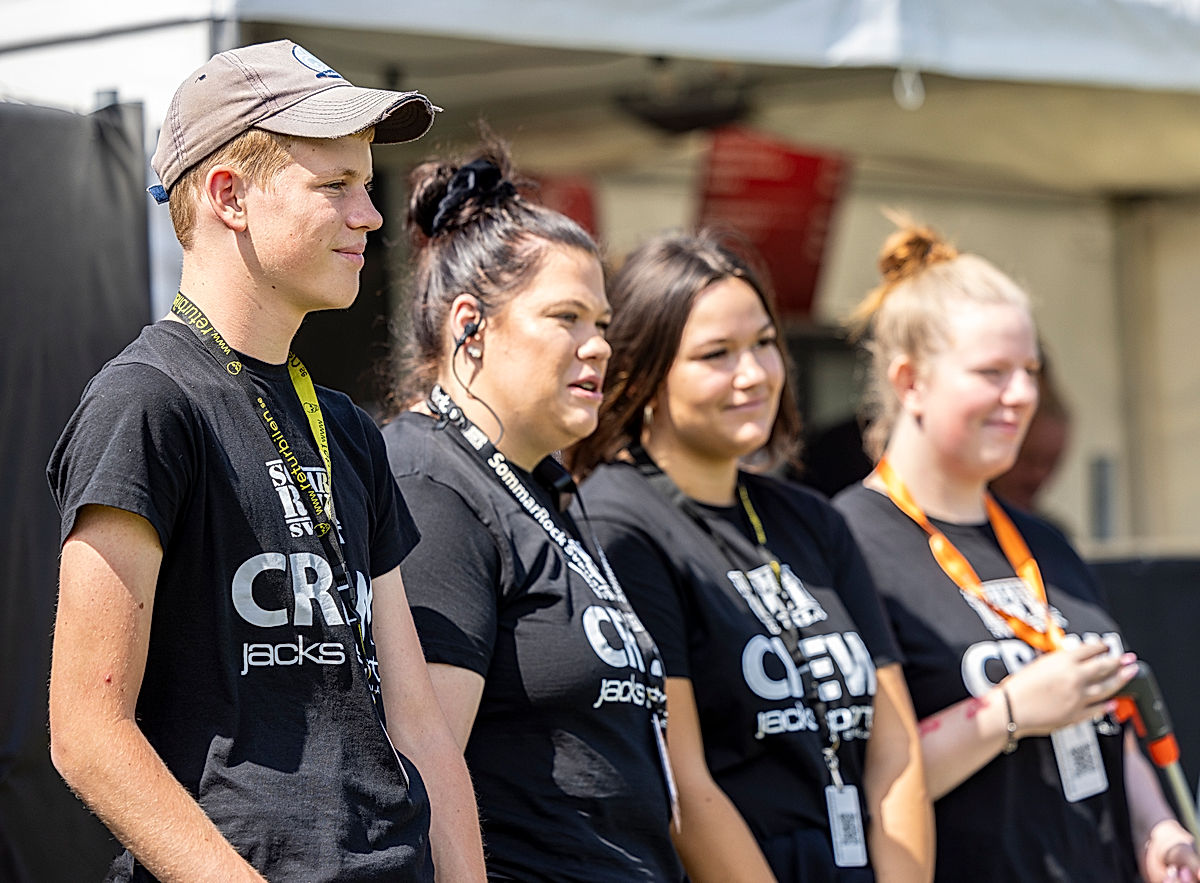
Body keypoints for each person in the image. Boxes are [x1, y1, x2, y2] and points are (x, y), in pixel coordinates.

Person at [46, 40, 485, 882]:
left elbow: (418, 722)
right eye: (335, 186)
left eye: (367, 185)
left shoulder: (348, 427)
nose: (371, 216)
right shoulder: (146, 399)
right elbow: (86, 730)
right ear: (228, 196)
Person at [833, 221, 1200, 882]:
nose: (1023, 394)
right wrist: (1011, 712)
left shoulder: (1044, 541)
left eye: (1030, 371)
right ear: (910, 381)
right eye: (992, 372)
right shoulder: (847, 541)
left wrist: (1158, 828)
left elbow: (1110, 713)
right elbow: (851, 775)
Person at [568, 231, 934, 882]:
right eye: (716, 354)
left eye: (764, 343)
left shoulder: (813, 519)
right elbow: (683, 783)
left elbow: (895, 748)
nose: (754, 374)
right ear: (644, 372)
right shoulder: (619, 523)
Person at [380, 141, 683, 882]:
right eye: (567, 317)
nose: (599, 346)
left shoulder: (536, 484)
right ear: (469, 325)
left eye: (603, 323)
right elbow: (419, 772)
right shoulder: (433, 486)